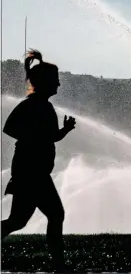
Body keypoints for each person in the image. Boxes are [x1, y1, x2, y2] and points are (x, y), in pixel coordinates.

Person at [2, 49, 77, 272]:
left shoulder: (44, 106)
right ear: (45, 82)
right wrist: (33, 139)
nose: (59, 85)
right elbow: (10, 128)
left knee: (18, 221)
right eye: (56, 80)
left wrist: (65, 130)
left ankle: (58, 263)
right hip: (31, 173)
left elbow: (50, 137)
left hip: (34, 172)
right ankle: (59, 264)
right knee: (54, 214)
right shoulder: (32, 105)